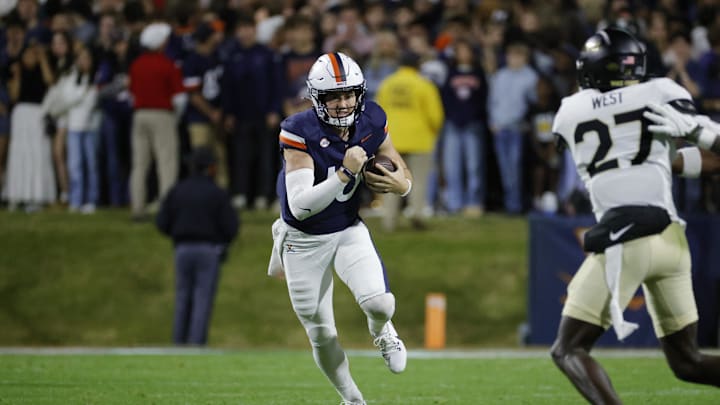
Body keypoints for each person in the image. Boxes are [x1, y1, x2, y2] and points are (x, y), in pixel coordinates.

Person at [550, 27, 720, 405]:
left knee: (568, 349)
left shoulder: (571, 110)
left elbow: (621, 149)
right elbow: (674, 158)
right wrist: (703, 132)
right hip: (672, 241)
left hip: (625, 239)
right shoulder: (661, 91)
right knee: (688, 362)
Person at [268, 52, 410, 405]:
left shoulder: (372, 118)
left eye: (348, 94)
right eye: (333, 96)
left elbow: (396, 162)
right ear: (317, 98)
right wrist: (345, 173)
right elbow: (300, 206)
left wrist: (402, 185)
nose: (343, 102)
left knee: (380, 304)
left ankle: (382, 331)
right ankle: (352, 399)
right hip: (302, 240)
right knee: (321, 333)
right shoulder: (299, 130)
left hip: (346, 228)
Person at [156, 146, 239, 346]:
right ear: (210, 168)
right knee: (202, 298)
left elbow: (161, 221)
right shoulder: (217, 193)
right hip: (208, 250)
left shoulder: (178, 190)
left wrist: (177, 235)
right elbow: (231, 226)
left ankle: (178, 342)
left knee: (182, 297)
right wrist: (222, 241)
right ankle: (196, 344)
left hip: (182, 249)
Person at [375, 51, 444, 230]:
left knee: (391, 179)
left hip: (392, 140)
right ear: (418, 65)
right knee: (419, 180)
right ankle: (417, 214)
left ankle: (389, 220)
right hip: (419, 139)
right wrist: (434, 131)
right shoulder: (423, 84)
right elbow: (435, 116)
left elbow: (377, 111)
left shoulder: (387, 83)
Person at [128, 21, 186, 221]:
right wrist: (174, 118)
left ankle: (138, 208)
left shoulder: (136, 64)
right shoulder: (167, 64)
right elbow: (180, 98)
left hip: (139, 115)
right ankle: (166, 210)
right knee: (166, 164)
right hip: (162, 115)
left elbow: (130, 94)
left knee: (139, 165)